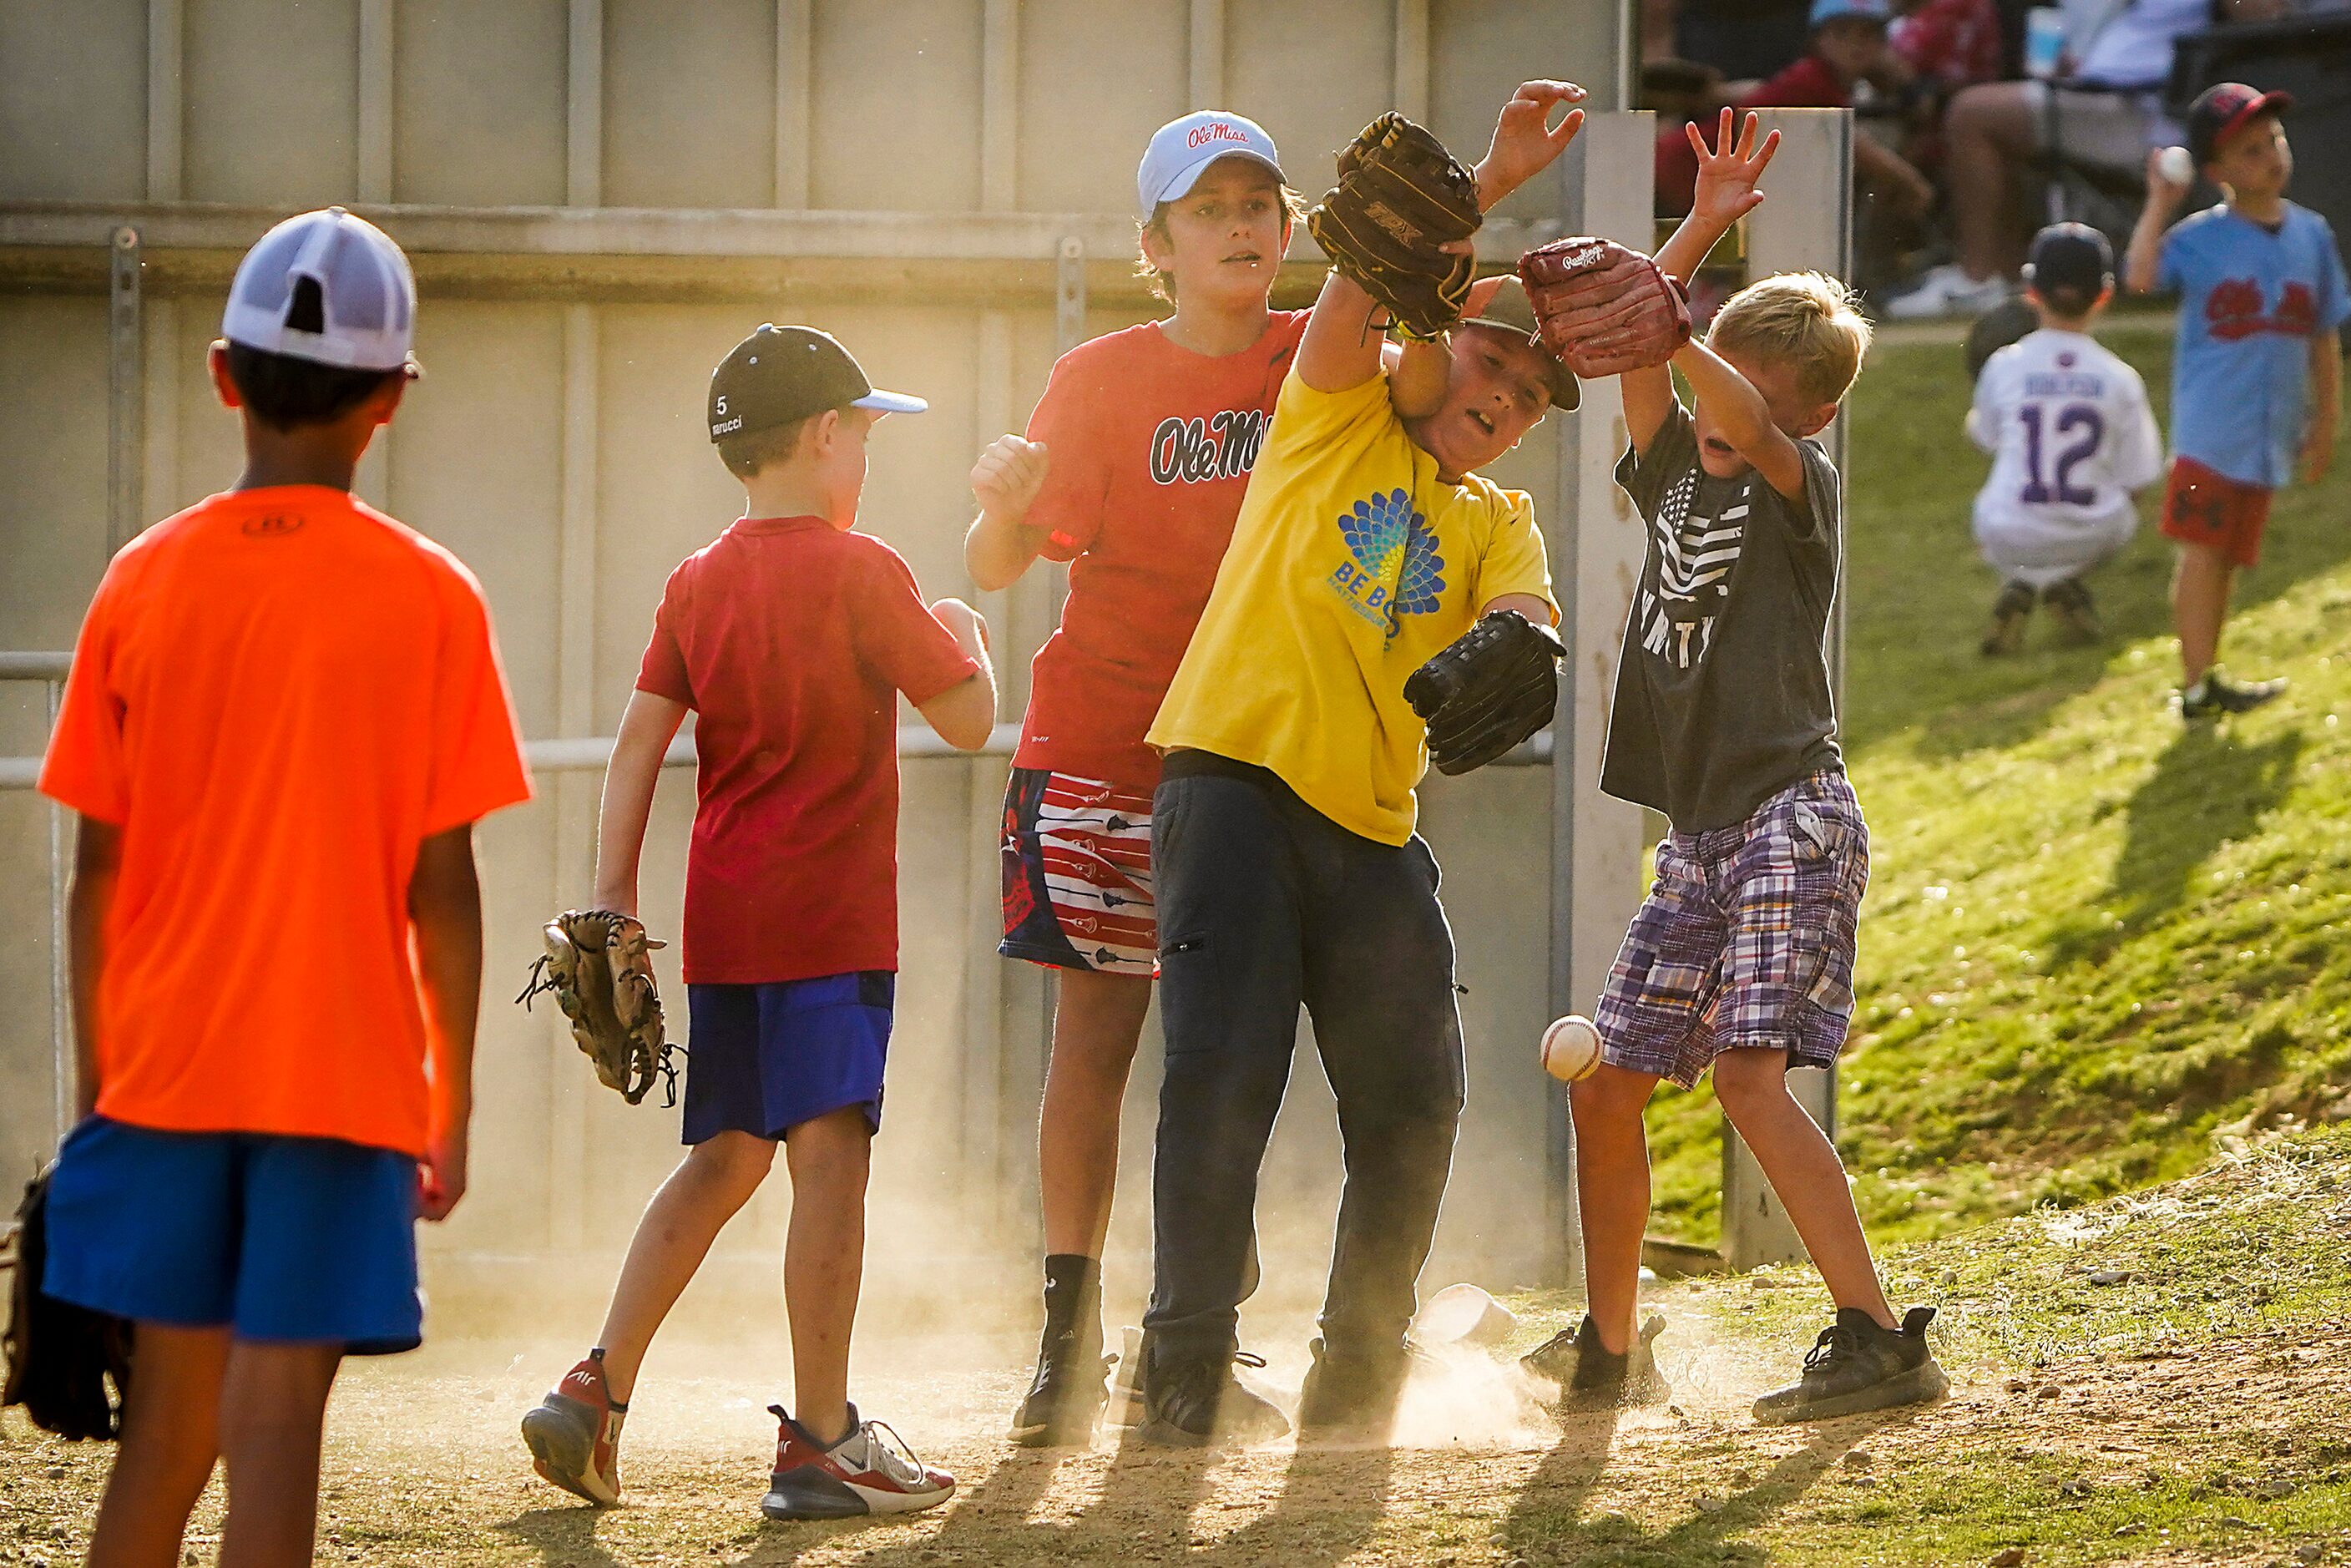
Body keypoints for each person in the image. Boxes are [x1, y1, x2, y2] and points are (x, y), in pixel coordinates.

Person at [36, 208, 533, 1568]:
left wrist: (98, 1091)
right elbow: (447, 883)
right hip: (343, 1076)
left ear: (222, 374)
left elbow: (95, 872)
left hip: (162, 1078)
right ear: (391, 397)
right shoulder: (433, 598)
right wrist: (453, 1101)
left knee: (165, 1438)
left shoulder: (139, 582)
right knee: (277, 1437)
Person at [1131, 82, 1583, 1447]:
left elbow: (1527, 616)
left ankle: (1360, 1365)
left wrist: (1521, 649)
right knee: (1222, 1072)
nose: (1505, 398)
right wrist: (1494, 177)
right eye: (1490, 364)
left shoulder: (1497, 517)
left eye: (1530, 394)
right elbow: (1362, 282)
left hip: (1371, 822)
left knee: (1418, 1089)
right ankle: (1184, 1367)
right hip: (1231, 778)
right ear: (1431, 350)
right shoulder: (1331, 411)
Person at [520, 324, 998, 1520]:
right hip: (833, 924)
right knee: (829, 1163)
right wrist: (975, 636)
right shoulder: (862, 569)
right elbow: (967, 719)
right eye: (868, 432)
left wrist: (612, 897)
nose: (869, 455)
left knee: (724, 1156)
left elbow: (639, 743)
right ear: (829, 436)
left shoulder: (698, 578)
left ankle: (596, 1387)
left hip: (725, 922)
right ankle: (823, 1438)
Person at [1533, 111, 1948, 1423]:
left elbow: (1706, 383)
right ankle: (1610, 1348)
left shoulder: (1794, 480)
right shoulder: (1675, 476)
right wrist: (1699, 231)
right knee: (1609, 1087)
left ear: (1812, 415)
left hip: (1791, 816)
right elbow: (1640, 369)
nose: (1726, 409)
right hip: (1704, 836)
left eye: (1762, 398)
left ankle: (1878, 1335)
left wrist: (1682, 322)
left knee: (1751, 1080)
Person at [961, 110, 1312, 1449]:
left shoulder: (1322, 353)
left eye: (1257, 202)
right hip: (1104, 746)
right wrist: (1001, 499)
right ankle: (1068, 1335)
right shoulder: (1101, 374)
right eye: (1207, 206)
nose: (1238, 225)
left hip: (1259, 758)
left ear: (1286, 227)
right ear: (1154, 244)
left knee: (1225, 1061)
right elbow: (1000, 565)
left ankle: (1199, 1332)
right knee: (1095, 1050)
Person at [2124, 83, 2347, 717]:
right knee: (2203, 551)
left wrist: (2326, 419)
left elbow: (2322, 334)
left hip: (2269, 430)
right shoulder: (2199, 238)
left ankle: (2209, 675)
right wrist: (2159, 203)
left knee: (2227, 559)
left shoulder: (2312, 235)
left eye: (2272, 140)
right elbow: (2140, 275)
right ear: (2215, 172)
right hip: (2209, 433)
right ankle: (2196, 687)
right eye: (2249, 150)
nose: (2270, 156)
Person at [1893, 0, 2287, 319]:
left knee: (1971, 113)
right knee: (1985, 117)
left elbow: (2266, 13)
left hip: (2147, 111)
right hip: (2097, 94)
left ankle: (1976, 280)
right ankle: (2001, 280)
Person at [1967, 222, 2163, 655]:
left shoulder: (2005, 363)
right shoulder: (2119, 377)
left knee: (1997, 497)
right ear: (2105, 295)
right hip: (2091, 534)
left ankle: (2025, 579)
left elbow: (1986, 436)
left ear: (2031, 291)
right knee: (2123, 510)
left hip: (2007, 534)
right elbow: (2140, 479)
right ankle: (2060, 579)